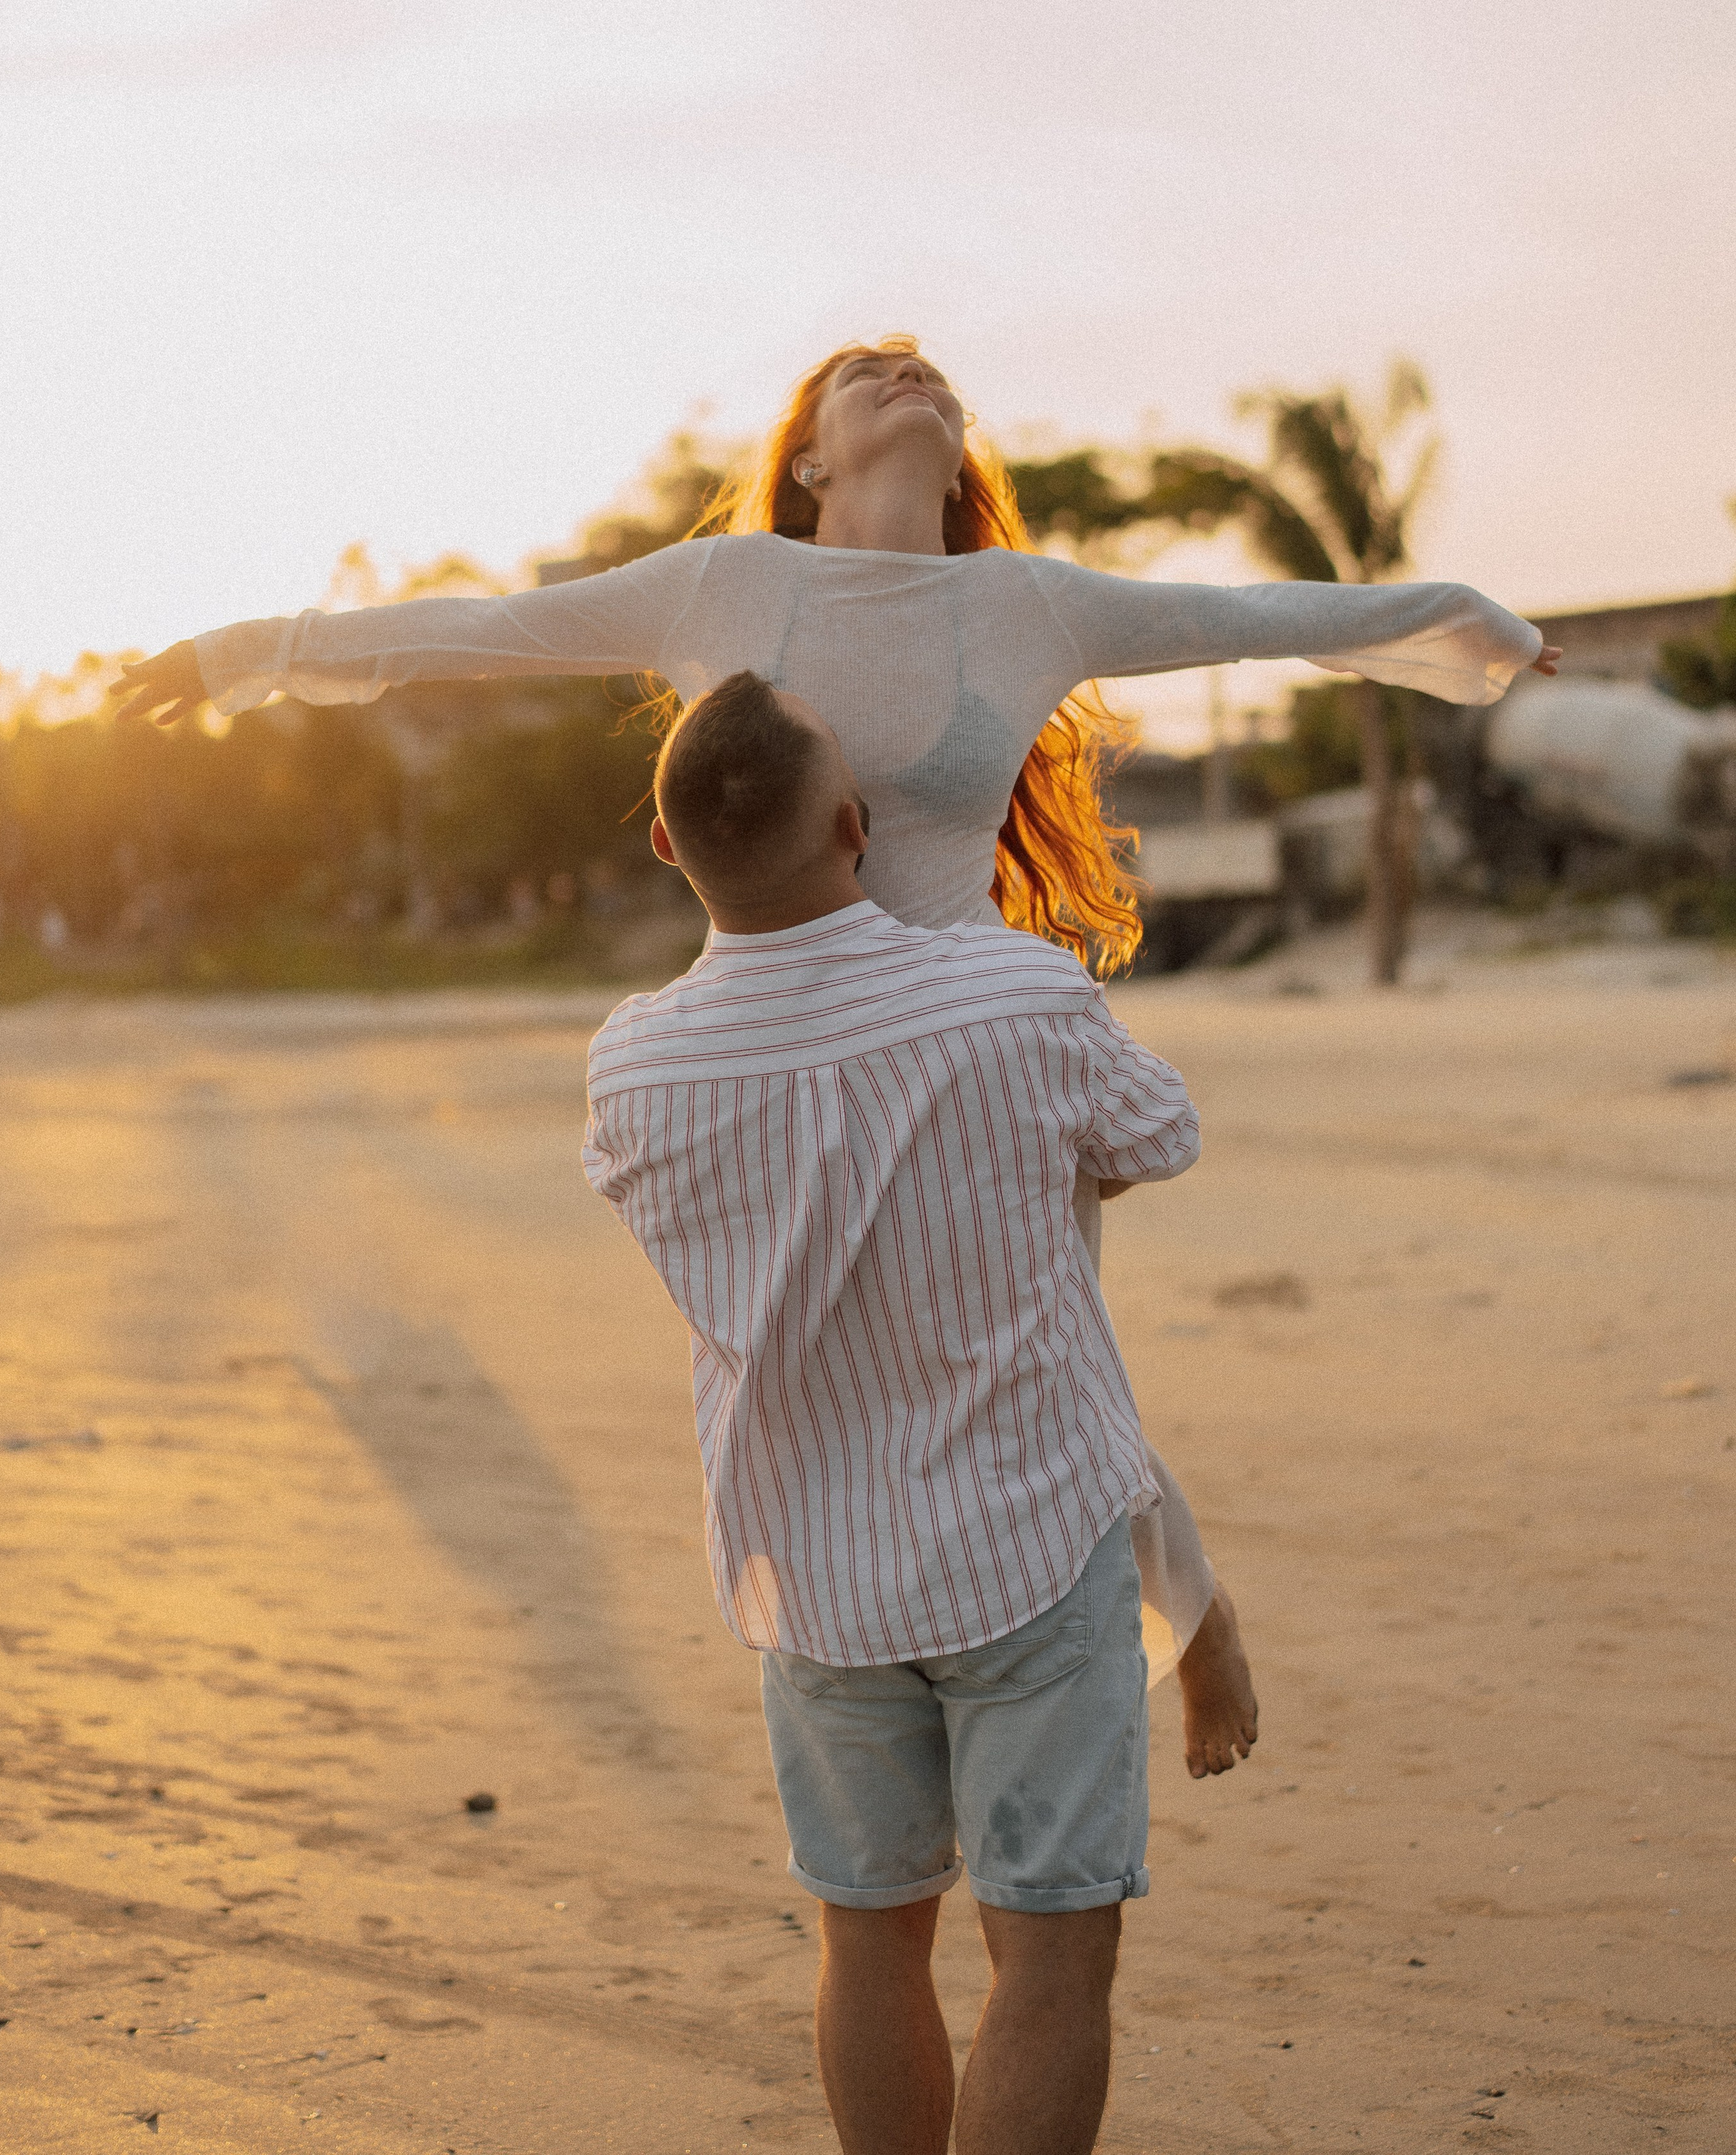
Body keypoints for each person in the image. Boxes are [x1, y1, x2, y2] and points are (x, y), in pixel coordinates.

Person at [114, 337, 1559, 1706]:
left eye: (923, 365)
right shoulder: (724, 588)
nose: (903, 366)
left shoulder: (1027, 603)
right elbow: (482, 632)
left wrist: (1475, 629)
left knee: (1056, 1346)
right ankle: (864, 1656)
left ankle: (1189, 1624)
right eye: (863, 369)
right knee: (809, 1364)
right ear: (807, 460)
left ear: (954, 451)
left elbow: (1261, 621)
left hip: (980, 1046)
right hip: (781, 1047)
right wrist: (241, 652)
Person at [583, 669, 1253, 2155]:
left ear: (664, 843)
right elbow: (1159, 1133)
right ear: (856, 826)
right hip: (1022, 1541)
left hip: (806, 1570)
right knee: (1050, 1958)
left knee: (866, 1941)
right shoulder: (1012, 989)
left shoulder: (633, 1060)